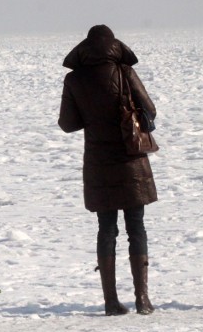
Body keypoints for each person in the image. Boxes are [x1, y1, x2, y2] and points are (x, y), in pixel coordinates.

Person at [58, 25, 157, 316]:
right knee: (136, 226)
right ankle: (142, 299)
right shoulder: (125, 72)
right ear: (115, 46)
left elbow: (68, 124)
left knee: (106, 228)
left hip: (99, 163)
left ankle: (111, 302)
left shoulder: (74, 79)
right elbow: (149, 109)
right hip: (131, 160)